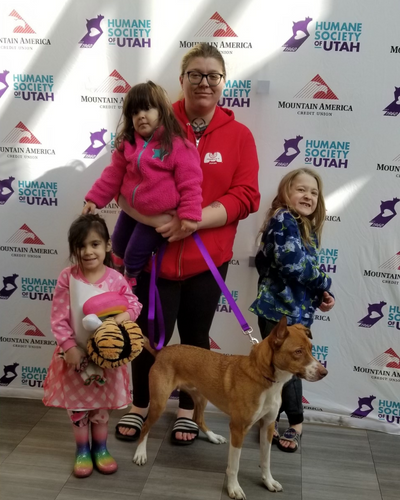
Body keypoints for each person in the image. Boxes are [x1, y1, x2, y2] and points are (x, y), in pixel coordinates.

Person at [114, 43, 260, 444]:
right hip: (151, 259)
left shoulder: (239, 135)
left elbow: (247, 195)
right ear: (181, 80)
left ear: (223, 83)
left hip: (206, 262)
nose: (204, 83)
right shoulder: (155, 124)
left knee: (196, 339)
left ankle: (188, 411)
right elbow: (122, 186)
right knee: (146, 335)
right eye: (195, 74)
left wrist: (194, 222)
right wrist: (159, 221)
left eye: (213, 76)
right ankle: (140, 404)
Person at [42, 214, 142, 477]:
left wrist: (121, 319)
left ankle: (100, 448)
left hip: (107, 360)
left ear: (107, 246)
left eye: (95, 244)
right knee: (78, 407)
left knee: (100, 408)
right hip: (74, 358)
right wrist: (69, 347)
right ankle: (82, 450)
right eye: (81, 245)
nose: (88, 251)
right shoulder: (68, 277)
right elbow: (59, 317)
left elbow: (134, 304)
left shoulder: (116, 279)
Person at [82, 81, 203, 291]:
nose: (141, 116)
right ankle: (114, 279)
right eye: (135, 112)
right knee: (117, 244)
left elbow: (190, 181)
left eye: (147, 108)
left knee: (134, 253)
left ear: (163, 111)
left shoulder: (177, 145)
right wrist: (94, 198)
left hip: (157, 217)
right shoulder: (127, 144)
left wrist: (190, 214)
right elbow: (112, 174)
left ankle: (129, 283)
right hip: (131, 211)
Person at [249, 168, 335, 452]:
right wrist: (324, 281)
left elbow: (301, 270)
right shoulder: (283, 219)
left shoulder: (305, 227)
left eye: (313, 192)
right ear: (286, 192)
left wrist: (321, 292)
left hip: (297, 314)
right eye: (301, 189)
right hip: (277, 313)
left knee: (286, 369)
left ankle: (285, 422)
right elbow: (292, 264)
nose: (308, 196)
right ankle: (289, 422)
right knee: (281, 369)